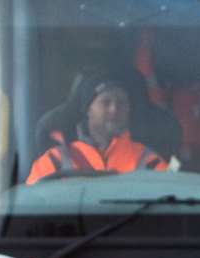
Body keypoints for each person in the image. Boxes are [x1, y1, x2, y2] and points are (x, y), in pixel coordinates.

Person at [25, 74, 167, 184]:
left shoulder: (150, 163)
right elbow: (31, 211)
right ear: (88, 110)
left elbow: (170, 209)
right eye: (106, 102)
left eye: (121, 103)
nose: (114, 109)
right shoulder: (55, 161)